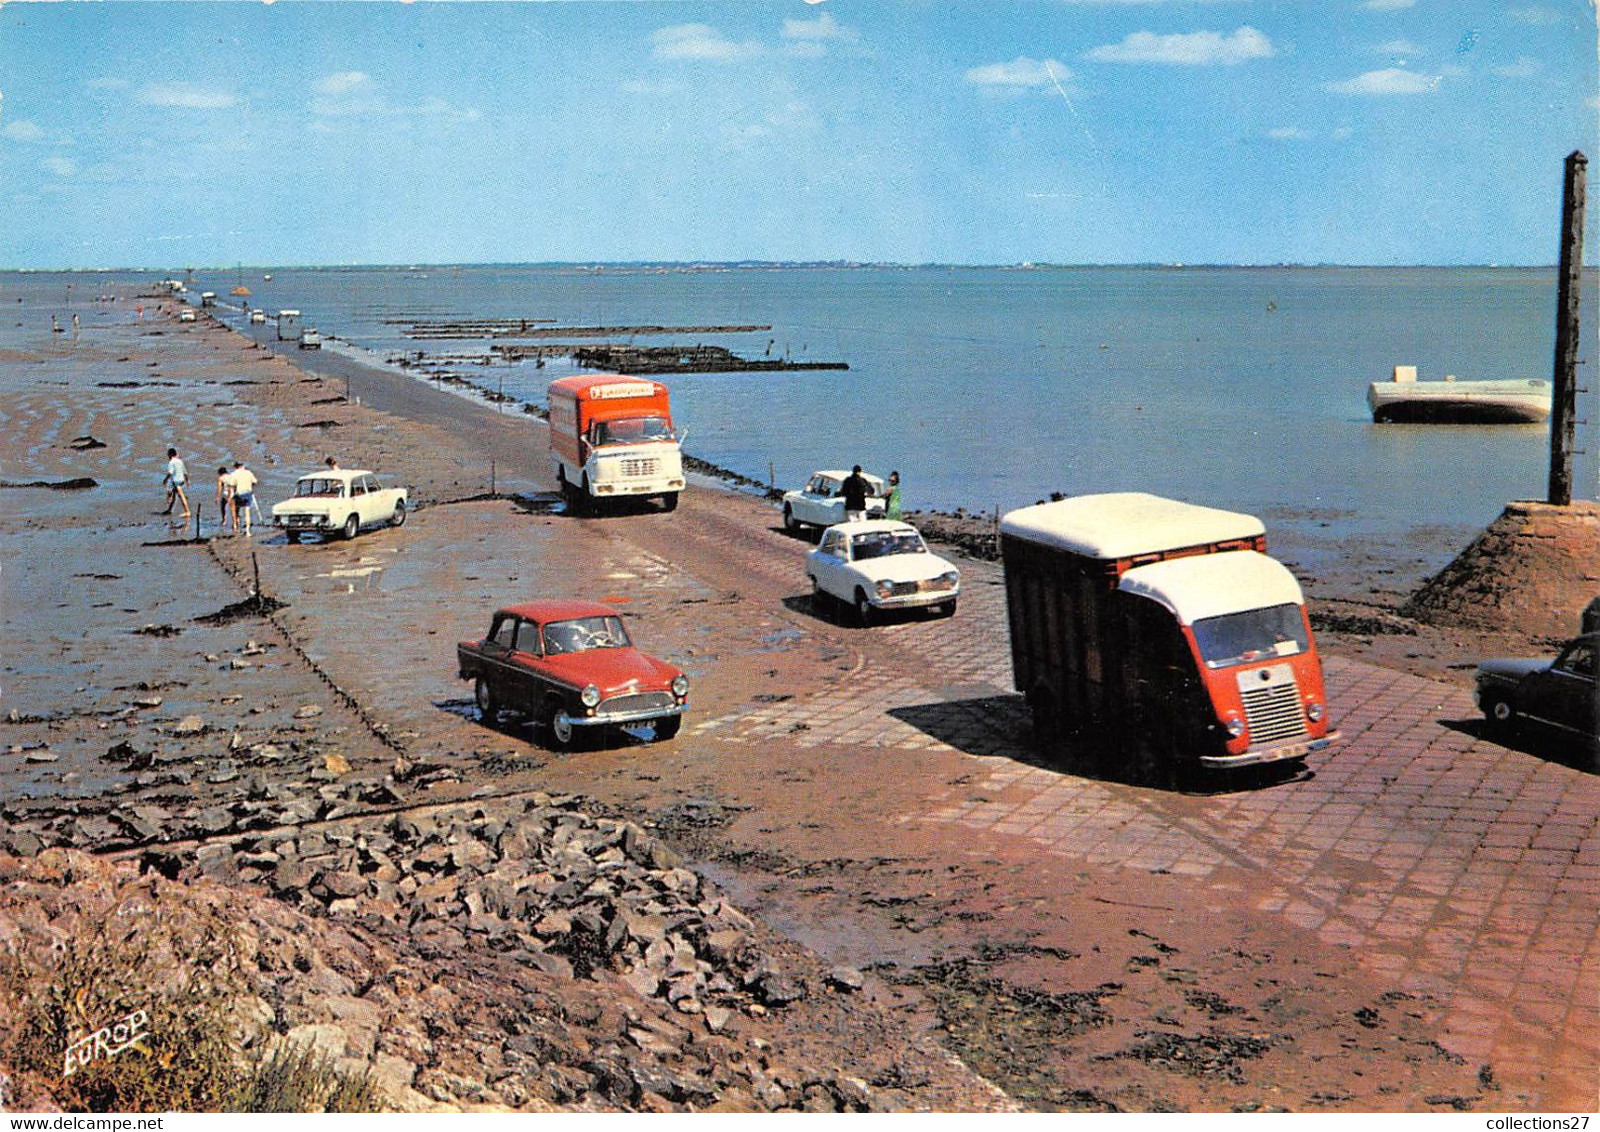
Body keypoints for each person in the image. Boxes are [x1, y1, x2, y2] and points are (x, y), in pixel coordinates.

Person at [230, 460, 260, 536]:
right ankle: (247, 530)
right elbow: (255, 481)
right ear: (242, 466)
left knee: (236, 511)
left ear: (236, 466)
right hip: (248, 494)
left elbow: (231, 484)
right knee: (247, 512)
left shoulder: (234, 474)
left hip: (239, 494)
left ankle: (237, 527)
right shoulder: (248, 473)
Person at [162, 448, 190, 517]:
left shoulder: (171, 462)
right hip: (181, 480)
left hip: (176, 482)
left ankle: (187, 511)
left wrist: (165, 479)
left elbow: (170, 472)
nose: (168, 456)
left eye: (168, 455)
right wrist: (187, 481)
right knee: (174, 495)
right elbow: (185, 472)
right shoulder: (180, 461)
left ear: (171, 454)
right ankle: (170, 509)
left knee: (182, 496)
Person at [215, 466, 234, 531]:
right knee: (233, 509)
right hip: (232, 493)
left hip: (225, 493)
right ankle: (235, 522)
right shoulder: (231, 476)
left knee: (223, 506)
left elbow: (219, 488)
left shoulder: (220, 478)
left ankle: (224, 520)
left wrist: (217, 497)